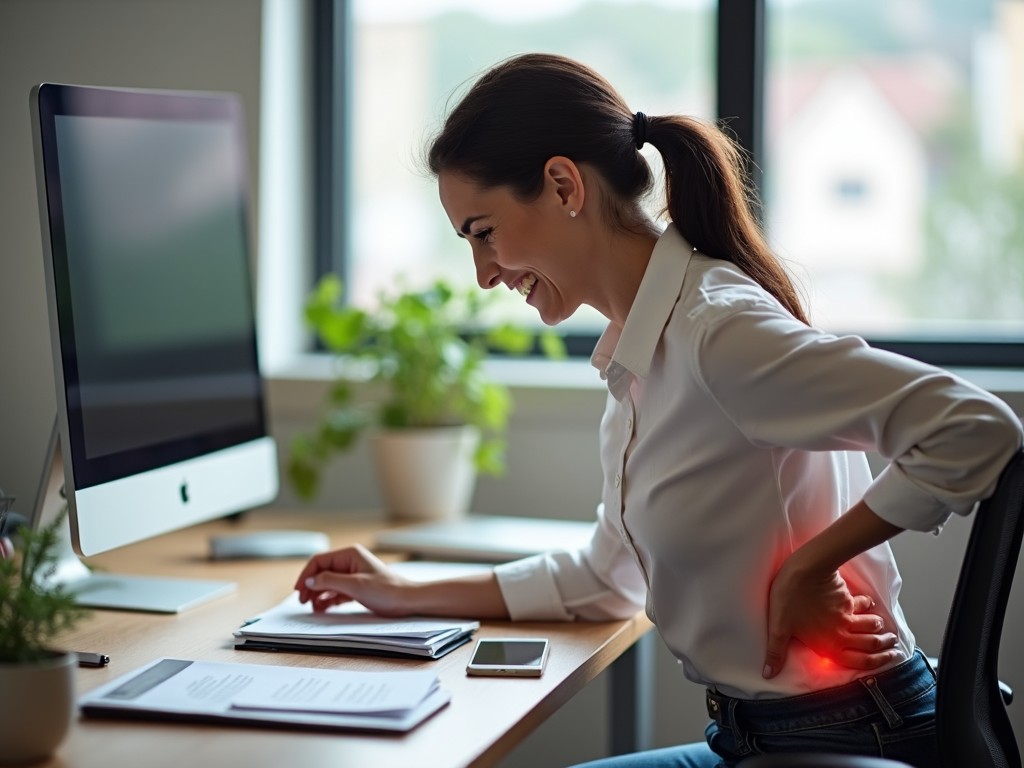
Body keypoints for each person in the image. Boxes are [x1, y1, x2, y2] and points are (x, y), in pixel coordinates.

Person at [294, 53, 1023, 767]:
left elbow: (975, 429)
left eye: (483, 233)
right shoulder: (642, 358)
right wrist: (399, 593)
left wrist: (809, 569)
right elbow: (605, 582)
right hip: (767, 738)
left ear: (562, 185)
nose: (483, 274)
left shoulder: (717, 332)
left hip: (852, 736)